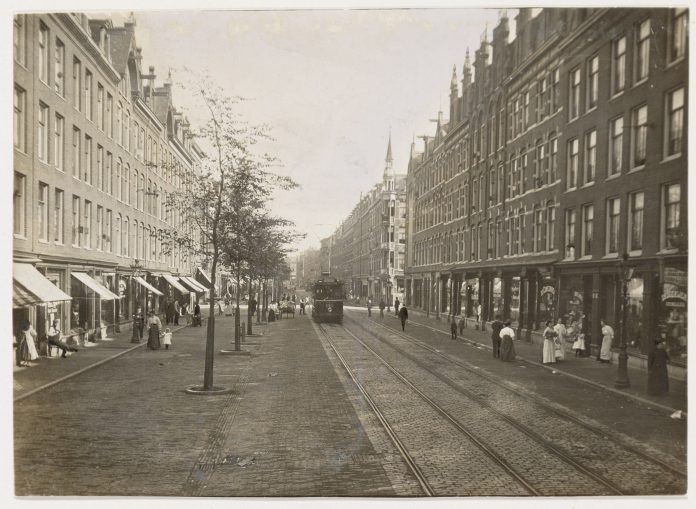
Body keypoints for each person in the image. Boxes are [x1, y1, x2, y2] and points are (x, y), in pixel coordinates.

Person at [647, 331, 669, 395]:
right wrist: (649, 369)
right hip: (655, 369)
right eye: (660, 344)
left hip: (662, 368)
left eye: (662, 344)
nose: (662, 345)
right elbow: (649, 361)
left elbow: (667, 359)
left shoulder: (663, 351)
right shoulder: (652, 351)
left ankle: (661, 391)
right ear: (657, 345)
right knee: (655, 380)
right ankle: (654, 392)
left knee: (662, 380)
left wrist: (668, 352)